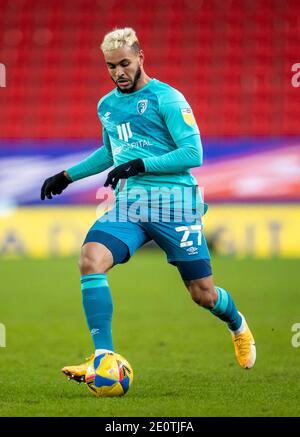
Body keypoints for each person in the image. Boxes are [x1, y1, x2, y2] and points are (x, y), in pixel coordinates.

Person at [41, 27, 256, 383]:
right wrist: (67, 175)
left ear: (141, 57)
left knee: (202, 294)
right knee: (90, 259)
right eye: (111, 67)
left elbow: (193, 153)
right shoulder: (106, 105)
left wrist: (140, 164)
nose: (118, 73)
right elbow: (111, 153)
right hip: (131, 205)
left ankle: (237, 324)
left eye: (124, 63)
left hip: (176, 204)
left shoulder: (167, 98)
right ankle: (102, 358)